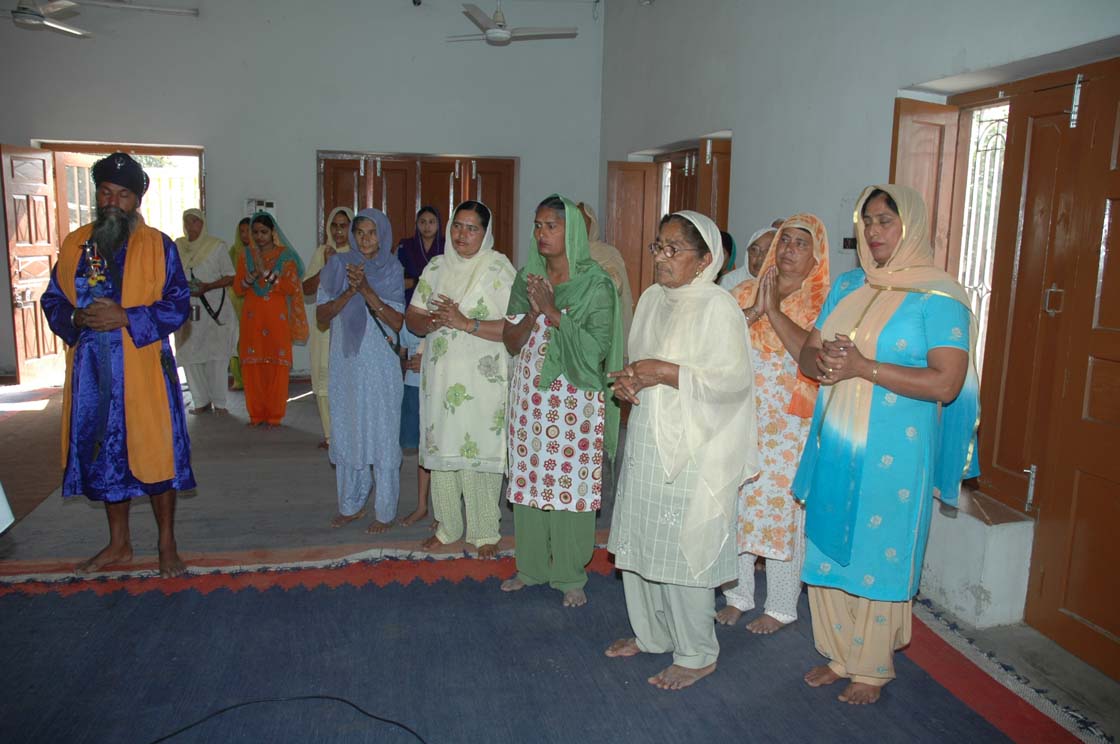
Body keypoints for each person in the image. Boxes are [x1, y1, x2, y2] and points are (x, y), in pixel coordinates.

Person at [795, 185, 979, 705]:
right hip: (837, 436)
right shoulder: (850, 284)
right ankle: (839, 653)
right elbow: (808, 354)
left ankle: (872, 666)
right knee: (828, 537)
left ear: (911, 226)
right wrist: (823, 363)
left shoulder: (938, 296)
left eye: (885, 221)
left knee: (879, 546)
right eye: (867, 222)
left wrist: (862, 367)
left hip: (895, 448)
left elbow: (946, 383)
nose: (874, 232)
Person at [605, 211, 758, 690]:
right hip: (649, 435)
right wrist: (629, 383)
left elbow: (733, 383)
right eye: (658, 246)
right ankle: (651, 634)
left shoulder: (719, 307)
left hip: (696, 445)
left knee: (684, 548)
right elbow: (638, 364)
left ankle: (696, 653)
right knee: (643, 537)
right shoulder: (653, 299)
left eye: (674, 249)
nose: (661, 258)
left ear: (705, 259)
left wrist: (665, 372)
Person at [40, 152, 195, 578]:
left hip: (143, 370)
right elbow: (53, 299)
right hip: (92, 373)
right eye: (106, 193)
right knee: (106, 456)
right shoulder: (75, 245)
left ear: (136, 200)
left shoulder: (159, 246)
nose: (113, 202)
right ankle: (119, 544)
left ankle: (167, 544)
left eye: (123, 195)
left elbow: (178, 303)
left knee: (157, 454)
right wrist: (76, 317)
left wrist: (127, 317)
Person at [500, 195, 623, 607]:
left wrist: (553, 310)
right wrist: (534, 312)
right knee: (530, 476)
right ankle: (531, 567)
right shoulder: (527, 277)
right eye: (538, 225)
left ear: (572, 232)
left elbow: (596, 348)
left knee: (569, 481)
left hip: (575, 397)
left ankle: (570, 574)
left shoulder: (596, 283)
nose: (542, 234)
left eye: (551, 226)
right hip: (530, 396)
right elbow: (511, 340)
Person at [718, 214, 830, 634]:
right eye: (785, 241)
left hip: (790, 425)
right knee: (737, 503)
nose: (788, 250)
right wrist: (754, 310)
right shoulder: (746, 291)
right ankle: (738, 595)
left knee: (782, 510)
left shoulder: (823, 301)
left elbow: (811, 358)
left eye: (801, 243)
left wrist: (774, 312)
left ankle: (781, 604)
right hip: (742, 416)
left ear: (816, 254)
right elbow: (718, 341)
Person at [405, 201, 515, 559]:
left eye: (471, 228)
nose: (461, 234)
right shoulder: (437, 267)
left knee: (478, 450)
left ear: (485, 233)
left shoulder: (498, 268)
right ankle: (448, 527)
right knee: (443, 448)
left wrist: (465, 322)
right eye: (457, 226)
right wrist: (432, 322)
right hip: (442, 379)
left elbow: (515, 329)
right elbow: (412, 317)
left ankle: (485, 532)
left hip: (483, 381)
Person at [316, 208, 405, 533]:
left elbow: (397, 322)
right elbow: (321, 316)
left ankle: (385, 511)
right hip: (348, 365)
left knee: (382, 432)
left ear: (382, 235)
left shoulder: (392, 269)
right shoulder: (337, 266)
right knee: (349, 429)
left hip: (380, 367)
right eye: (360, 233)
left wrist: (366, 289)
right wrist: (349, 291)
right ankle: (350, 504)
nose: (365, 239)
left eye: (372, 232)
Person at [232, 213, 308, 428]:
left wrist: (267, 274)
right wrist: (252, 275)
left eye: (264, 232)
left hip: (276, 318)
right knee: (253, 365)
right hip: (252, 318)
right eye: (255, 232)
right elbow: (238, 289)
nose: (259, 237)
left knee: (276, 365)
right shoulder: (246, 255)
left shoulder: (285, 257)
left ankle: (275, 415)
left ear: (272, 232)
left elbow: (291, 287)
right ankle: (256, 414)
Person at [396, 206, 444, 526]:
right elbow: (402, 351)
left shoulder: (446, 312)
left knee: (443, 445)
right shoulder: (409, 315)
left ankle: (443, 508)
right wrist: (409, 361)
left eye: (432, 222)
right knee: (425, 448)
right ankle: (422, 505)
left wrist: (426, 359)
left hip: (442, 385)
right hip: (415, 386)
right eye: (422, 222)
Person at [175, 208, 237, 415]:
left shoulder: (216, 246)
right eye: (187, 222)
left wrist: (207, 286)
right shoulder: (178, 247)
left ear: (203, 224)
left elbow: (230, 276)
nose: (190, 226)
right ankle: (200, 401)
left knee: (216, 355)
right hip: (188, 308)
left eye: (195, 221)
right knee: (189, 353)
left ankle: (219, 402)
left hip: (215, 308)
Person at [304, 206, 354, 449]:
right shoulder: (321, 252)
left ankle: (348, 434)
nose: (338, 231)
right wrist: (327, 266)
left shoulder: (357, 253)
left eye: (344, 226)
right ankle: (330, 436)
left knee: (347, 381)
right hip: (323, 327)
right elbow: (306, 288)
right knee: (324, 381)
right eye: (334, 225)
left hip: (348, 325)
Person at [577, 202, 634, 346]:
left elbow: (618, 286)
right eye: (575, 222)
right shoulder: (563, 254)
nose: (579, 228)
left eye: (583, 222)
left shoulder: (608, 253)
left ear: (592, 225)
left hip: (603, 323)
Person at [397, 205, 445, 305]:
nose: (427, 226)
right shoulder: (406, 246)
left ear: (438, 224)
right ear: (417, 224)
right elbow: (396, 277)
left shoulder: (447, 245)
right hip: (411, 297)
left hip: (440, 296)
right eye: (422, 222)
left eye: (431, 222)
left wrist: (414, 282)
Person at [227, 217, 252, 391]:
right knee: (236, 339)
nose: (245, 235)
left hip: (253, 301)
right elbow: (229, 275)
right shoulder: (233, 252)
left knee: (251, 340)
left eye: (248, 231)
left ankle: (251, 377)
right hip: (236, 300)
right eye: (241, 231)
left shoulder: (260, 253)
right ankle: (238, 377)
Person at [718, 226, 777, 291]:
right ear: (747, 252)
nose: (760, 258)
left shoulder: (782, 286)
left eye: (768, 251)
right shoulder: (729, 281)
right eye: (754, 250)